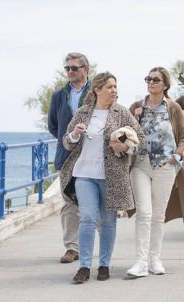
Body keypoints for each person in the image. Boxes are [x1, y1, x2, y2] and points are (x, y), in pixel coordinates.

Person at [60, 72, 144, 284]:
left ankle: (104, 264)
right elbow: (67, 142)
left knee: (107, 222)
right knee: (87, 218)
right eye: (109, 87)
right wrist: (75, 135)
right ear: (97, 89)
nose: (114, 90)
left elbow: (141, 140)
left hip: (112, 176)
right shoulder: (84, 112)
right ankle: (84, 267)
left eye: (115, 86)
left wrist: (124, 146)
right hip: (83, 175)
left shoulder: (122, 113)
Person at [125, 67, 184, 278]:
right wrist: (133, 121)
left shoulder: (173, 108)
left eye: (155, 80)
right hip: (140, 165)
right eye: (148, 79)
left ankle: (155, 259)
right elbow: (123, 134)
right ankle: (140, 261)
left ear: (165, 85)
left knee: (158, 215)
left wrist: (178, 156)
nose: (150, 82)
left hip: (165, 166)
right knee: (144, 213)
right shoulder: (136, 106)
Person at [48, 52, 91, 264]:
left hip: (93, 154)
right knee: (69, 202)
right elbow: (53, 126)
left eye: (74, 68)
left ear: (86, 70)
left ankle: (100, 249)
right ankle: (71, 247)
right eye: (68, 68)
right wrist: (69, 141)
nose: (70, 71)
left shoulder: (96, 92)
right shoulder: (58, 96)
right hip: (67, 156)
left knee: (96, 202)